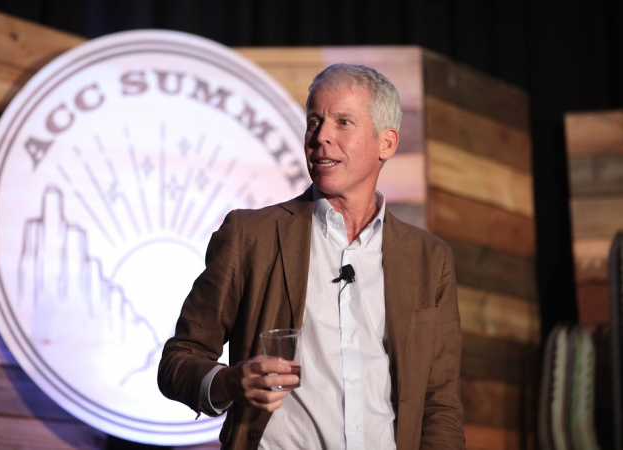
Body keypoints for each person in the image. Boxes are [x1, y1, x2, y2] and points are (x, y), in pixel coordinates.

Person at [158, 63, 465, 449]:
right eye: (314, 122)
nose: (321, 137)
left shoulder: (428, 259)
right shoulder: (251, 236)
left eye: (343, 123)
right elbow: (178, 360)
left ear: (386, 142)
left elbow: (440, 404)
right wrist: (228, 382)